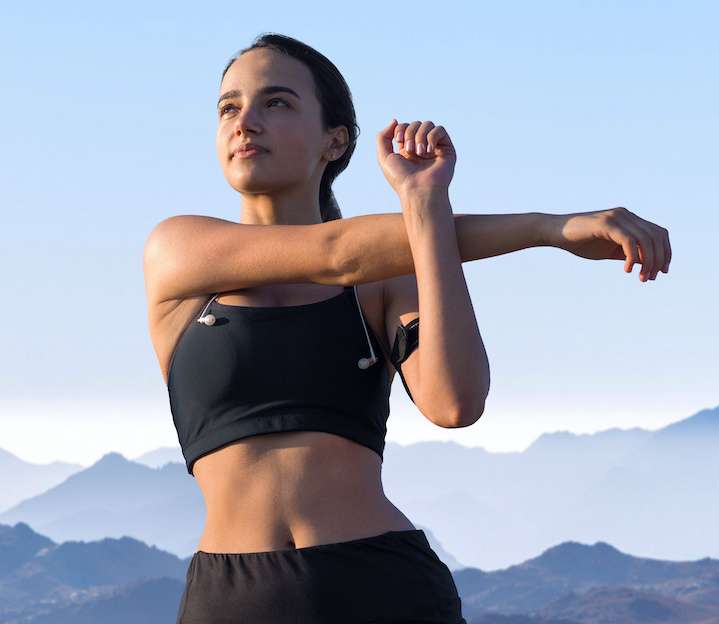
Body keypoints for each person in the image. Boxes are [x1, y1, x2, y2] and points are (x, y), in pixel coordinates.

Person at [143, 32, 671, 624]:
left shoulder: (384, 282)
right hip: (232, 598)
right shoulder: (178, 251)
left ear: (334, 140)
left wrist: (425, 206)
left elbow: (455, 402)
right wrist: (549, 227)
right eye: (229, 107)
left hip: (383, 587)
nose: (246, 122)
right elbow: (333, 253)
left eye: (277, 102)